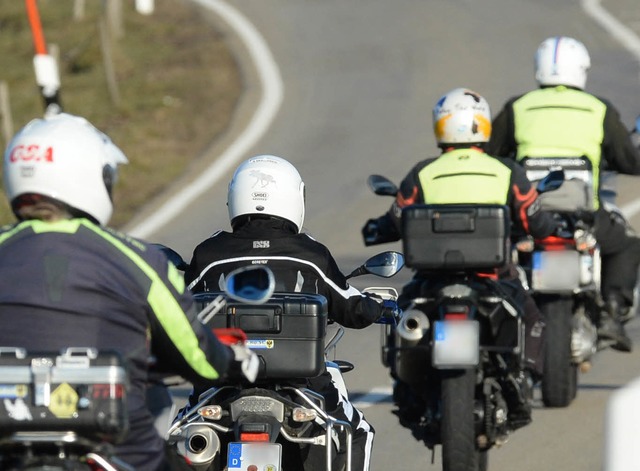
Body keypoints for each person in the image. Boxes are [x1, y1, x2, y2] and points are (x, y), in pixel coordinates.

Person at [0, 113, 258, 471]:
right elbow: (199, 357)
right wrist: (233, 360)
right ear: (91, 178)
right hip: (122, 451)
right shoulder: (139, 260)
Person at [361, 87, 558, 426]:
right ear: (482, 126)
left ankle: (405, 389)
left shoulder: (423, 173)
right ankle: (523, 381)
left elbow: (395, 218)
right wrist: (546, 227)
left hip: (432, 281)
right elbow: (534, 219)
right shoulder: (506, 171)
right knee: (534, 318)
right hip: (494, 280)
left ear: (441, 126)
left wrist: (374, 230)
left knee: (400, 320)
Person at [184, 155, 387, 471]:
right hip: (301, 381)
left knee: (183, 422)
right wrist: (378, 307)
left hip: (221, 379)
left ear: (235, 197)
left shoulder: (210, 253)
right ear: (294, 197)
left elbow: (181, 304)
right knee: (356, 431)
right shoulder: (310, 253)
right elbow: (352, 308)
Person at [485, 36, 640, 352]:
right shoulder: (598, 109)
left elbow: (491, 155)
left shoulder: (518, 107)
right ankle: (611, 313)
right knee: (626, 244)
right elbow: (628, 159)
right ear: (582, 70)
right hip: (584, 215)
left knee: (495, 247)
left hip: (529, 214)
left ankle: (495, 311)